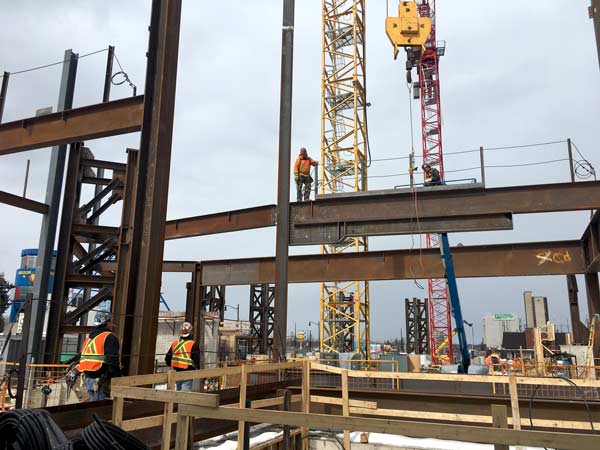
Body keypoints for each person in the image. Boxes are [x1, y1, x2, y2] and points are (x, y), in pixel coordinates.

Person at [76, 310, 121, 401]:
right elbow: (112, 360)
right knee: (103, 411)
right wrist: (118, 377)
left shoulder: (90, 338)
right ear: (107, 322)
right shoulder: (109, 336)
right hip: (101, 381)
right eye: (111, 321)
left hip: (88, 379)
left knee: (94, 409)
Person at [165, 322, 201, 391]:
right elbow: (196, 359)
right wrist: (197, 369)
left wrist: (171, 364)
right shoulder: (193, 344)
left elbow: (167, 358)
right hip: (188, 371)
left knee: (178, 390)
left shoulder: (175, 343)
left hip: (176, 371)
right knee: (185, 392)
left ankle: (178, 402)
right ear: (190, 332)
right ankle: (181, 402)